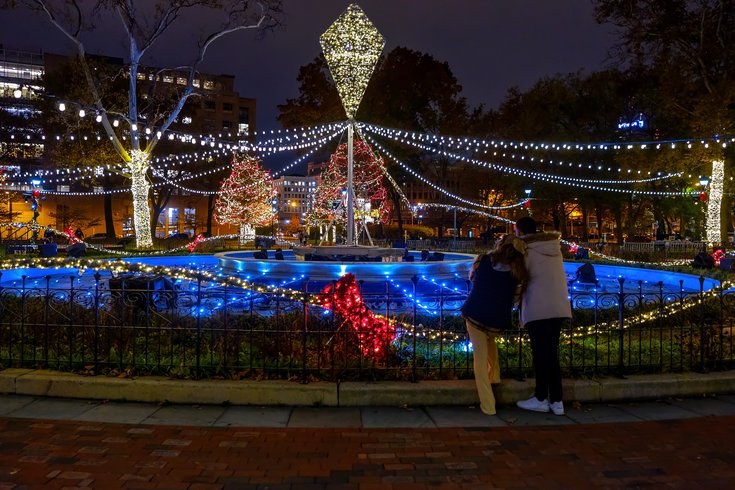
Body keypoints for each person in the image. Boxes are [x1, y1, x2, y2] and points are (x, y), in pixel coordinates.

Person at [461, 235, 528, 415]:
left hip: (475, 314)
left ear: (499, 246)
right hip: (498, 319)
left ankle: (488, 405)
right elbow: (515, 298)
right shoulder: (518, 273)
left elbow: (473, 278)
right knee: (490, 342)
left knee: (479, 360)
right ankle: (495, 377)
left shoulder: (482, 260)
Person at [514, 216, 572, 416]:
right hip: (559, 306)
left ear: (520, 231)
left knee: (540, 354)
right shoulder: (553, 247)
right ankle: (557, 401)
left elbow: (518, 276)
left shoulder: (526, 250)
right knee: (551, 354)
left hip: (538, 308)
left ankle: (540, 398)